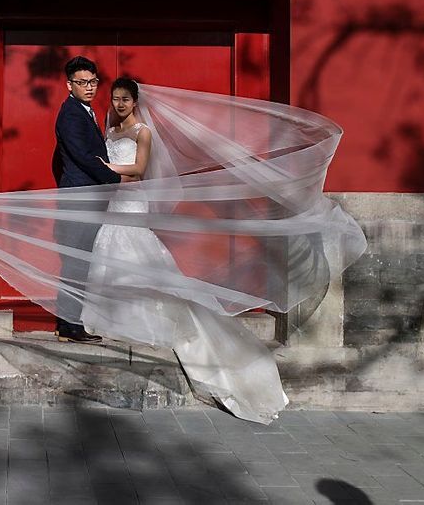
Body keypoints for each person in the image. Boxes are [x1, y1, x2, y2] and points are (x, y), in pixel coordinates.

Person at [89, 78, 289, 423]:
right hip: (113, 201)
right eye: (116, 98)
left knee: (136, 252)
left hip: (131, 199)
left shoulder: (143, 132)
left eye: (125, 99)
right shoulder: (110, 125)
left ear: (136, 102)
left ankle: (158, 320)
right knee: (110, 248)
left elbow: (137, 170)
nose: (119, 104)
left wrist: (106, 170)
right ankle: (115, 315)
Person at [52, 56, 121, 344]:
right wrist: (114, 179)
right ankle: (71, 326)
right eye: (82, 83)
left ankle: (66, 324)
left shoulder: (85, 111)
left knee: (79, 262)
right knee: (76, 263)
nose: (89, 87)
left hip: (87, 197)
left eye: (93, 82)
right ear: (69, 85)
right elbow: (82, 155)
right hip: (80, 199)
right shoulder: (70, 114)